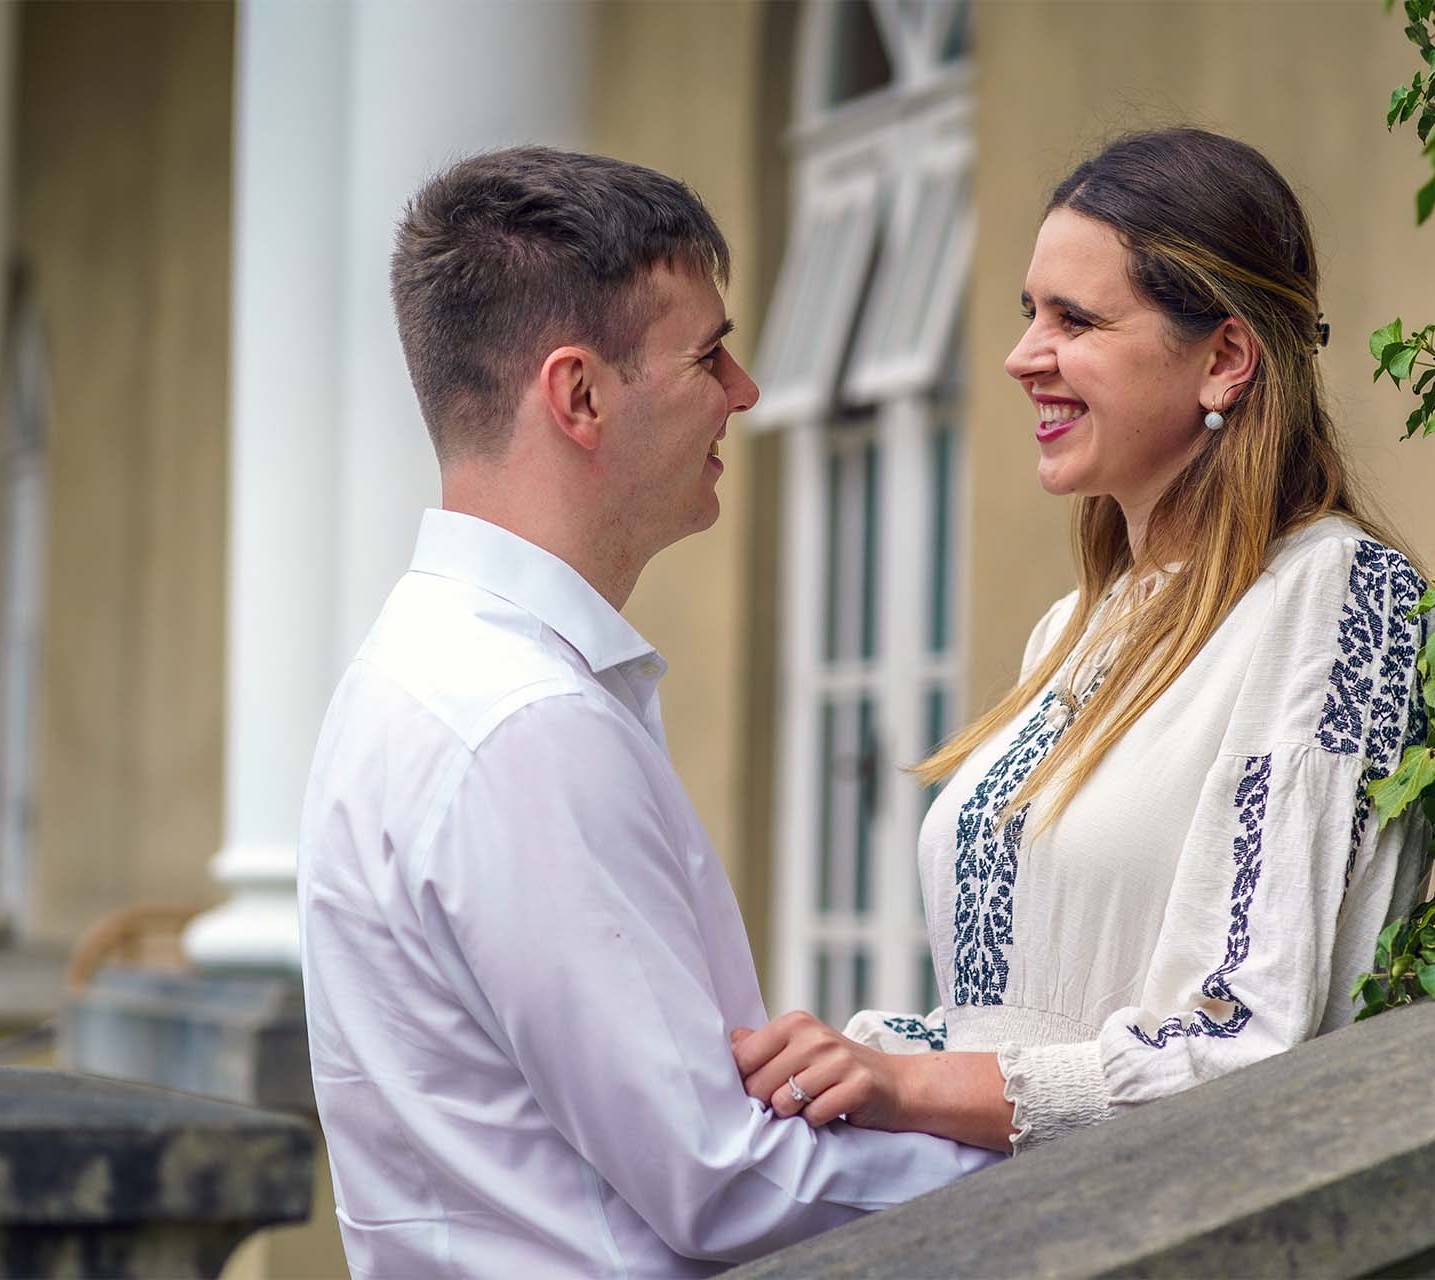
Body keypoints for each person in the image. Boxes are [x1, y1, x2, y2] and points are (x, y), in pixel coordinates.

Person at [296, 147, 996, 1280]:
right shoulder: (519, 723)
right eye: (709, 354)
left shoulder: (421, 672)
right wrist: (1054, 1150)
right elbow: (724, 1177)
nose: (746, 391)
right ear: (579, 394)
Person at [731, 127, 1433, 1155]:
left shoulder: (1335, 593)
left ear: (1224, 357)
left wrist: (907, 1081)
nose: (1023, 356)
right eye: (1030, 313)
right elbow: (1012, 1015)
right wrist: (858, 1056)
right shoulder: (1073, 627)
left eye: (1076, 318)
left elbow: (1240, 1044)